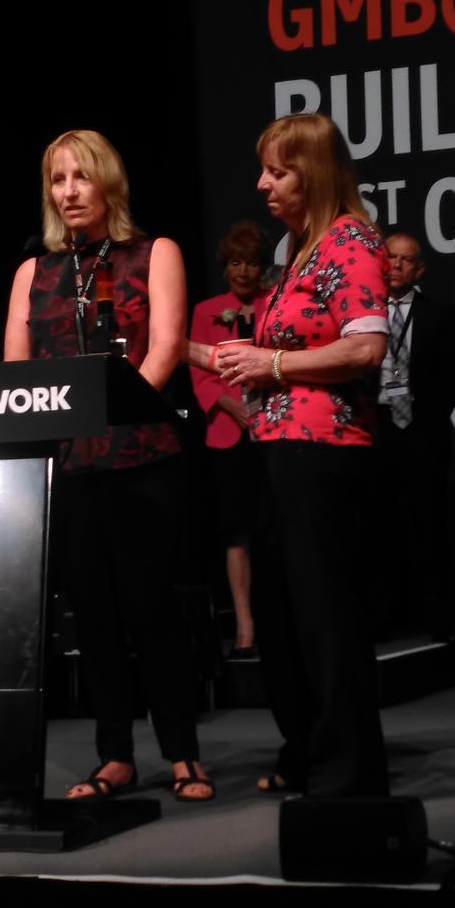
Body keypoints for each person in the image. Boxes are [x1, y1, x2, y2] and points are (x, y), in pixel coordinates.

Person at [4, 128, 214, 802]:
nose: (68, 191)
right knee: (91, 616)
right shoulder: (33, 272)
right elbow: (16, 373)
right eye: (57, 180)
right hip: (70, 467)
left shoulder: (154, 253)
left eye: (81, 176)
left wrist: (117, 411)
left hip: (142, 455)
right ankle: (114, 756)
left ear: (109, 183)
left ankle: (182, 753)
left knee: (152, 609)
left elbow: (167, 347)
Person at [218, 113, 390, 798]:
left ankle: (349, 770)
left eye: (278, 171)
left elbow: (365, 347)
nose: (263, 184)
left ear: (313, 173)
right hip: (278, 449)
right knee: (282, 614)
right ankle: (310, 751)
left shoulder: (350, 240)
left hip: (324, 450)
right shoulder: (297, 251)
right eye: (263, 170)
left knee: (324, 615)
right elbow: (264, 358)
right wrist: (174, 349)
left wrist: (274, 363)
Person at [376, 232, 455, 638]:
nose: (396, 265)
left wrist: (423, 417)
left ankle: (438, 617)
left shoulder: (439, 313)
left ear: (419, 269)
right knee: (379, 525)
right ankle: (384, 618)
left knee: (429, 524)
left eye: (405, 260)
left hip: (422, 429)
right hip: (375, 429)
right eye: (390, 257)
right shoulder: (363, 314)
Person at [190, 221, 271, 658]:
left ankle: (278, 619)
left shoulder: (275, 302)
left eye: (252, 263)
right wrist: (228, 404)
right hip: (227, 435)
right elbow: (199, 374)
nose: (243, 271)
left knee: (272, 528)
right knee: (236, 532)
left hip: (274, 430)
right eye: (236, 262)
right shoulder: (207, 310)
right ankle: (244, 625)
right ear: (225, 268)